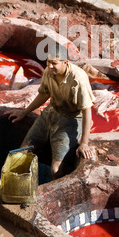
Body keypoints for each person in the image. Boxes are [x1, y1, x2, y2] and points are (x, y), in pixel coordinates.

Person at [6, 45, 95, 179]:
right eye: (48, 62)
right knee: (21, 153)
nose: (50, 66)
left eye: (54, 63)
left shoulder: (78, 79)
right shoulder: (49, 71)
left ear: (65, 62)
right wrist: (24, 112)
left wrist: (84, 143)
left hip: (70, 120)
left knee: (56, 170)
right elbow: (44, 94)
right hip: (50, 113)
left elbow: (87, 111)